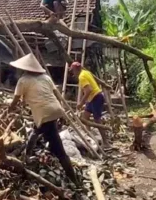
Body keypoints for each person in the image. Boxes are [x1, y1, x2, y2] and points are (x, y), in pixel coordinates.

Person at [8, 53, 80, 186]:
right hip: (56, 110)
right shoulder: (46, 77)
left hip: (44, 114)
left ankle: (74, 181)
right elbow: (51, 94)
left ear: (25, 69)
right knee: (40, 132)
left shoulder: (23, 81)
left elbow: (15, 101)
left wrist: (9, 110)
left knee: (58, 149)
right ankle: (29, 155)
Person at [69, 62, 110, 147]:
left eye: (73, 70)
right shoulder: (86, 72)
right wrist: (84, 102)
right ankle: (90, 137)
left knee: (97, 120)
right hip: (92, 98)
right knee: (85, 118)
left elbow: (88, 90)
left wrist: (81, 103)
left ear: (76, 69)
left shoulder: (82, 76)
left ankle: (106, 142)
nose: (73, 73)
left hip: (96, 98)